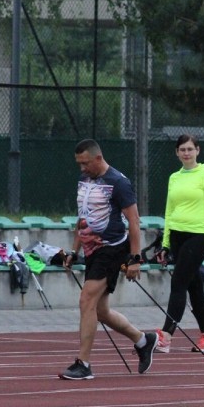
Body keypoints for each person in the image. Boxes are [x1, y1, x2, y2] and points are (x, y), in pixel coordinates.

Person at [60, 139, 157, 380]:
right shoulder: (84, 180)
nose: (82, 168)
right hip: (92, 251)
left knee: (86, 300)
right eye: (78, 164)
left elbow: (134, 221)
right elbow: (82, 218)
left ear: (98, 158)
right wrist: (74, 251)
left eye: (85, 163)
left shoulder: (118, 183)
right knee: (100, 311)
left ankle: (83, 364)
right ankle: (143, 340)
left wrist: (135, 259)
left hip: (112, 250)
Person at [154, 134, 204, 353]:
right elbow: (169, 211)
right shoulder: (174, 178)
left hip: (199, 236)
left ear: (197, 151)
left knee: (178, 283)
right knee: (194, 288)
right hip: (176, 235)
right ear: (177, 152)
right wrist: (165, 244)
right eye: (182, 149)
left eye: (190, 149)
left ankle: (165, 336)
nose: (186, 153)